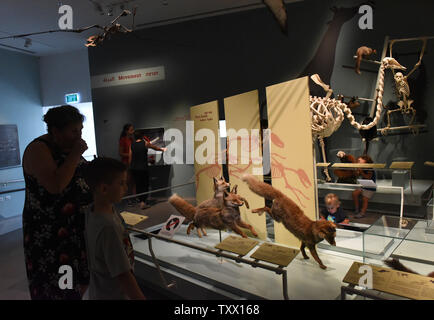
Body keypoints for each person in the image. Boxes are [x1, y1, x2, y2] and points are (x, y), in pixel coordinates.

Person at [22, 105, 92, 300]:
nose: (78, 136)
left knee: (80, 280)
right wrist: (76, 153)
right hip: (51, 235)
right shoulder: (38, 149)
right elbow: (56, 184)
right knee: (60, 287)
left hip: (74, 230)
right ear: (55, 131)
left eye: (80, 130)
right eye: (73, 131)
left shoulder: (67, 148)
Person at [83, 157, 146, 300]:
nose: (126, 187)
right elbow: (123, 275)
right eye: (121, 183)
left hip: (101, 290)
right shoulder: (108, 227)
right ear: (104, 188)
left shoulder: (93, 211)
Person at [130, 131, 167, 210]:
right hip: (143, 168)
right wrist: (162, 149)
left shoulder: (132, 145)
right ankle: (143, 202)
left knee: (138, 184)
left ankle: (141, 201)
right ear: (142, 136)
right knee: (145, 184)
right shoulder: (145, 143)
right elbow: (155, 148)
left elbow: (130, 157)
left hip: (134, 168)